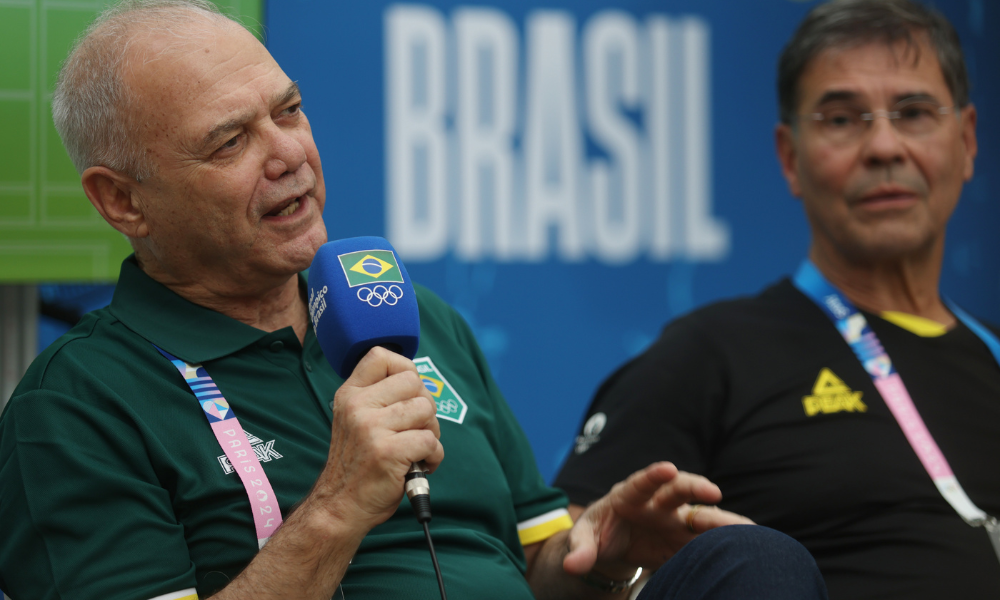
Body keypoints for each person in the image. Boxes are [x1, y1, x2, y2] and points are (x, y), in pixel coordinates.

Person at [0, 1, 829, 599]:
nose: (288, 153)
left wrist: (606, 555)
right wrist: (337, 508)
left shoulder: (415, 315)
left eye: (289, 111)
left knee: (756, 565)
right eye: (231, 140)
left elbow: (532, 568)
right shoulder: (78, 402)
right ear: (123, 202)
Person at [556, 0, 999, 598]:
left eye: (914, 112)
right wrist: (611, 569)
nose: (884, 147)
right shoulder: (710, 353)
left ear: (967, 141)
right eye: (843, 119)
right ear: (791, 158)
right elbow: (569, 559)